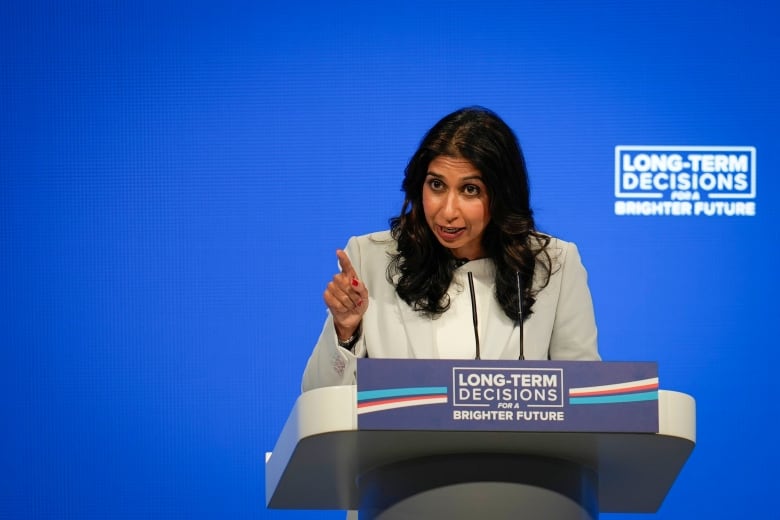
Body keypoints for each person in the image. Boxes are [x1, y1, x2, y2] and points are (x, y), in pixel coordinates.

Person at [302, 106, 599, 392]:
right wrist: (345, 332)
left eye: (470, 190)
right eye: (436, 185)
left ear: (502, 195)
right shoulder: (371, 258)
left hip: (513, 446)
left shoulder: (554, 265)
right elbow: (318, 397)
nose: (447, 211)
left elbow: (584, 396)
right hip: (404, 445)